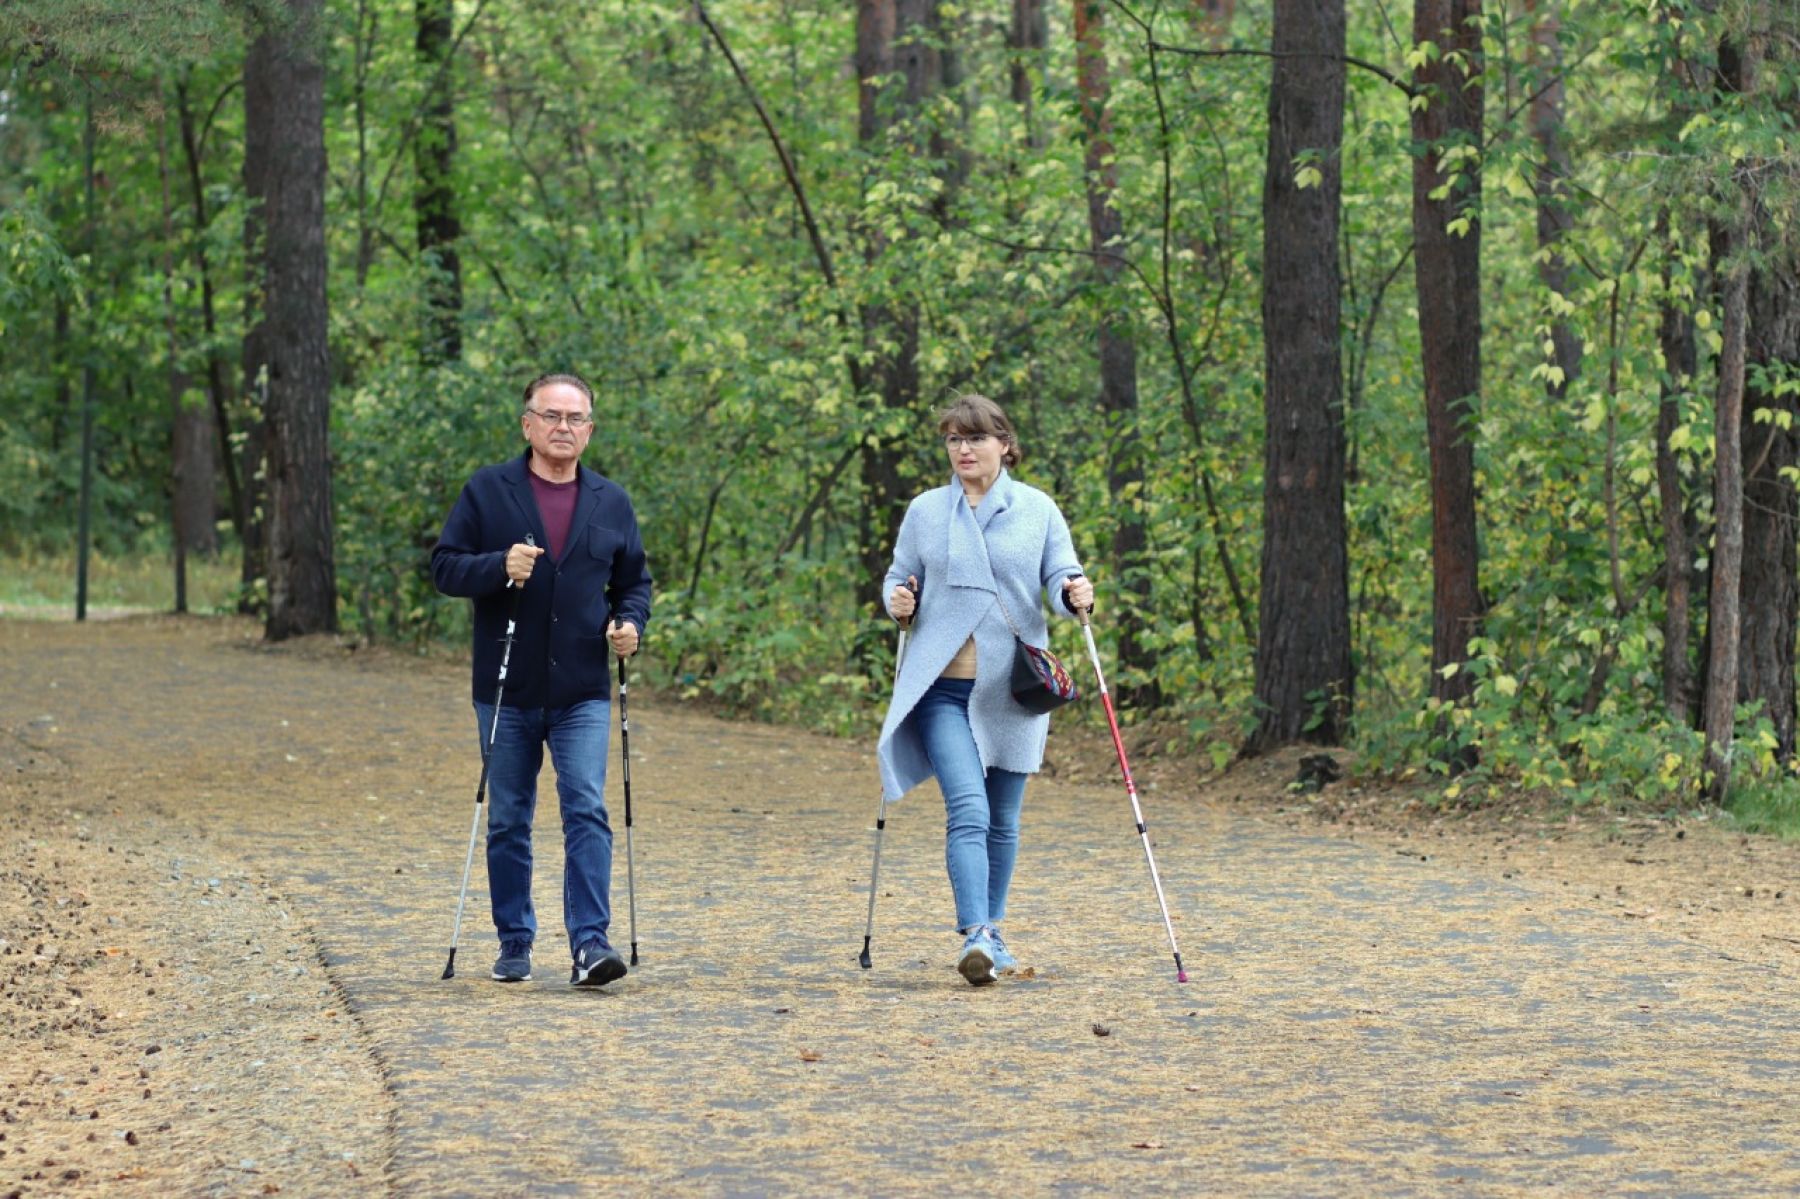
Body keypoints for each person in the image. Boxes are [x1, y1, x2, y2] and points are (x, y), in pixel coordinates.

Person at [432, 372, 652, 987]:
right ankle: (514, 940)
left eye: (575, 419)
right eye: (551, 416)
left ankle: (590, 944)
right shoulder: (488, 491)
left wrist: (629, 624)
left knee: (586, 807)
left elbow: (633, 583)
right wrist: (497, 566)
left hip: (582, 685)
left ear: (590, 430)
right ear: (527, 424)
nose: (563, 428)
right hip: (508, 686)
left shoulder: (611, 501)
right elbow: (444, 567)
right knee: (509, 817)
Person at [875, 394, 1094, 986]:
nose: (963, 449)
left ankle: (993, 933)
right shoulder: (926, 510)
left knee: (1004, 820)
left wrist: (1074, 590)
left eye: (974, 438)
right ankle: (974, 933)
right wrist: (897, 600)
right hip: (943, 690)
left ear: (1004, 444)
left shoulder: (1037, 509)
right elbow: (900, 575)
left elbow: (1059, 573)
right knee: (967, 810)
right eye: (953, 440)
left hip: (1014, 693)